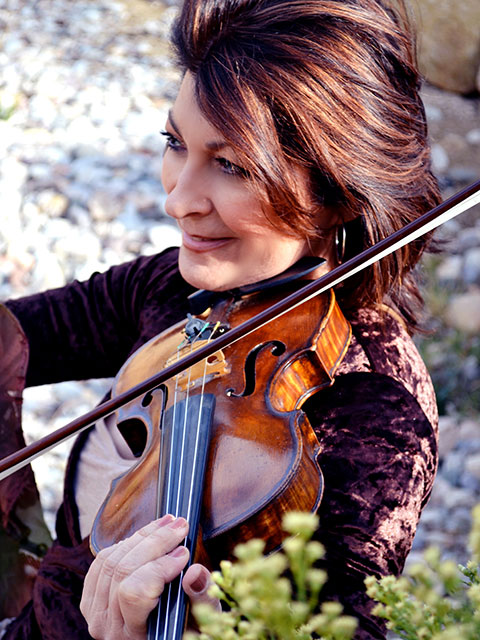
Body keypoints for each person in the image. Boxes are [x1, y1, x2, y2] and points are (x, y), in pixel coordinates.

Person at [0, 0, 442, 638]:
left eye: (231, 165)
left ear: (337, 192)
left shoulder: (376, 409)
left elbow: (343, 624)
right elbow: (19, 336)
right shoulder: (182, 288)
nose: (178, 200)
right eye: (175, 143)